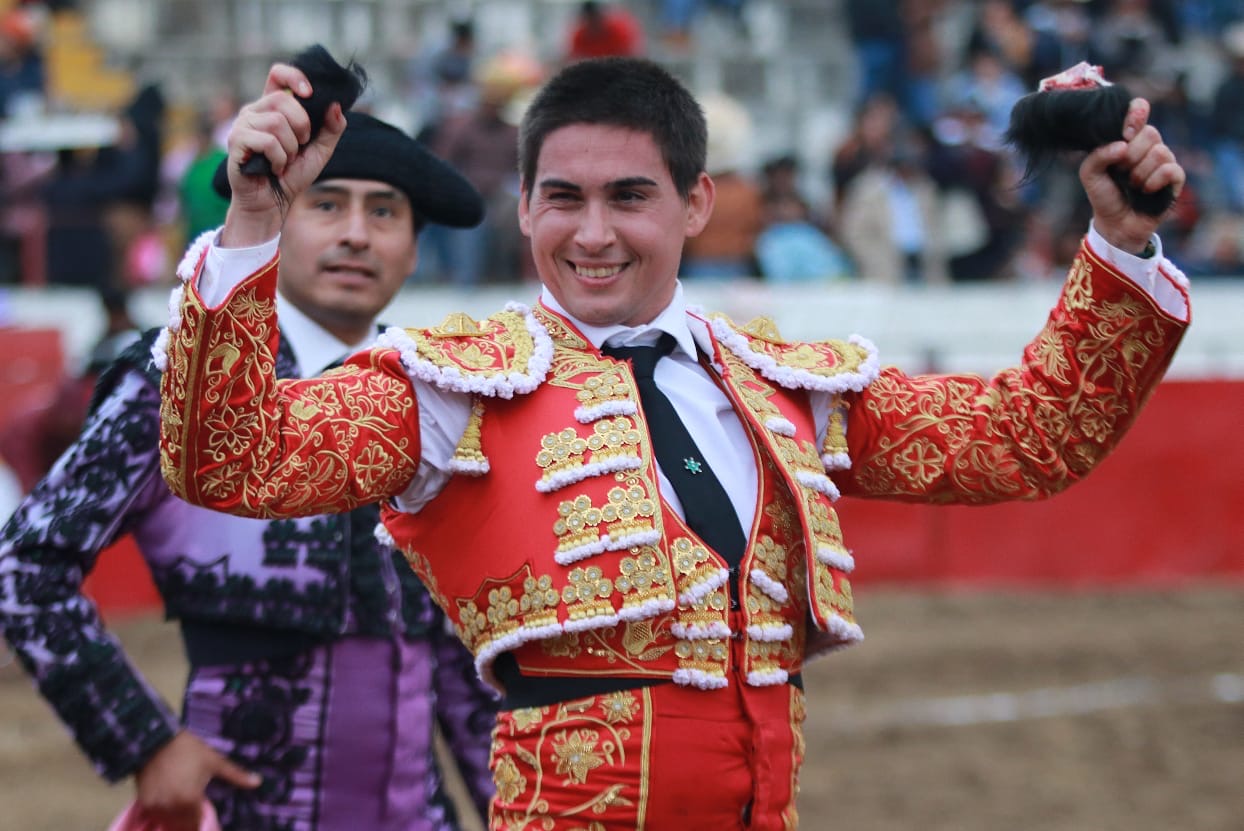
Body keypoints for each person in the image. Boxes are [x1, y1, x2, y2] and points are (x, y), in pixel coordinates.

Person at [156, 56, 1190, 829]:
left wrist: (1119, 241)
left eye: (628, 197)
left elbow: (1023, 439)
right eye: (562, 197)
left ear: (696, 202)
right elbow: (230, 458)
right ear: (523, 208)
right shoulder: (450, 385)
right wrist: (252, 221)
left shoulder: (781, 382)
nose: (592, 232)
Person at [0, 110, 499, 831]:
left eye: (384, 211)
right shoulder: (178, 378)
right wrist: (143, 741)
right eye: (326, 204)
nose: (356, 233)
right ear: (281, 220)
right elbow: (25, 565)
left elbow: (460, 660)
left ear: (415, 249)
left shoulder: (441, 394)